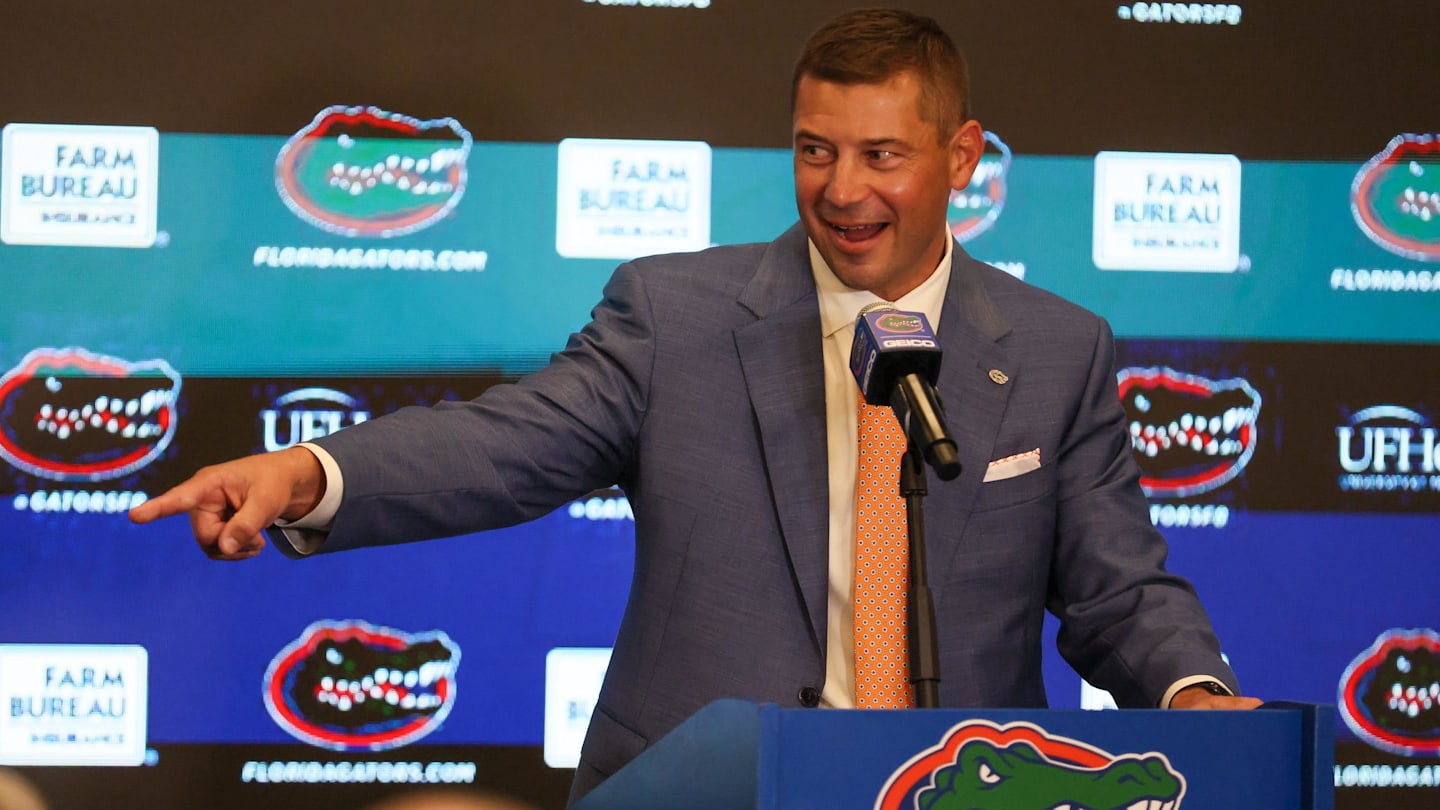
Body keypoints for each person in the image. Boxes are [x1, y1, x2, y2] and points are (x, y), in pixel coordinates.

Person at [131, 7, 1261, 805]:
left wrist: (1194, 690)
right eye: (815, 151)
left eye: (881, 155)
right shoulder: (678, 316)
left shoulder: (1059, 351)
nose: (842, 190)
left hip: (951, 792)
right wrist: (313, 475)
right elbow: (506, 444)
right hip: (703, 790)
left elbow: (1118, 585)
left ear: (960, 156)